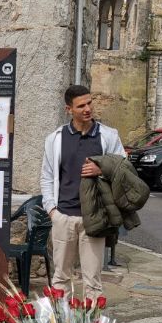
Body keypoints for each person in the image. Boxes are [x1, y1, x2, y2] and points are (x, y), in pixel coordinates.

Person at [40, 84, 125, 300]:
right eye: (81, 106)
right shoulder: (56, 139)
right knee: (60, 277)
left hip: (94, 217)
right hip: (64, 216)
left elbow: (124, 169)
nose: (87, 109)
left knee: (93, 280)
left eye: (89, 103)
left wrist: (102, 168)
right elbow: (47, 176)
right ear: (69, 109)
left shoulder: (108, 136)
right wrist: (52, 210)